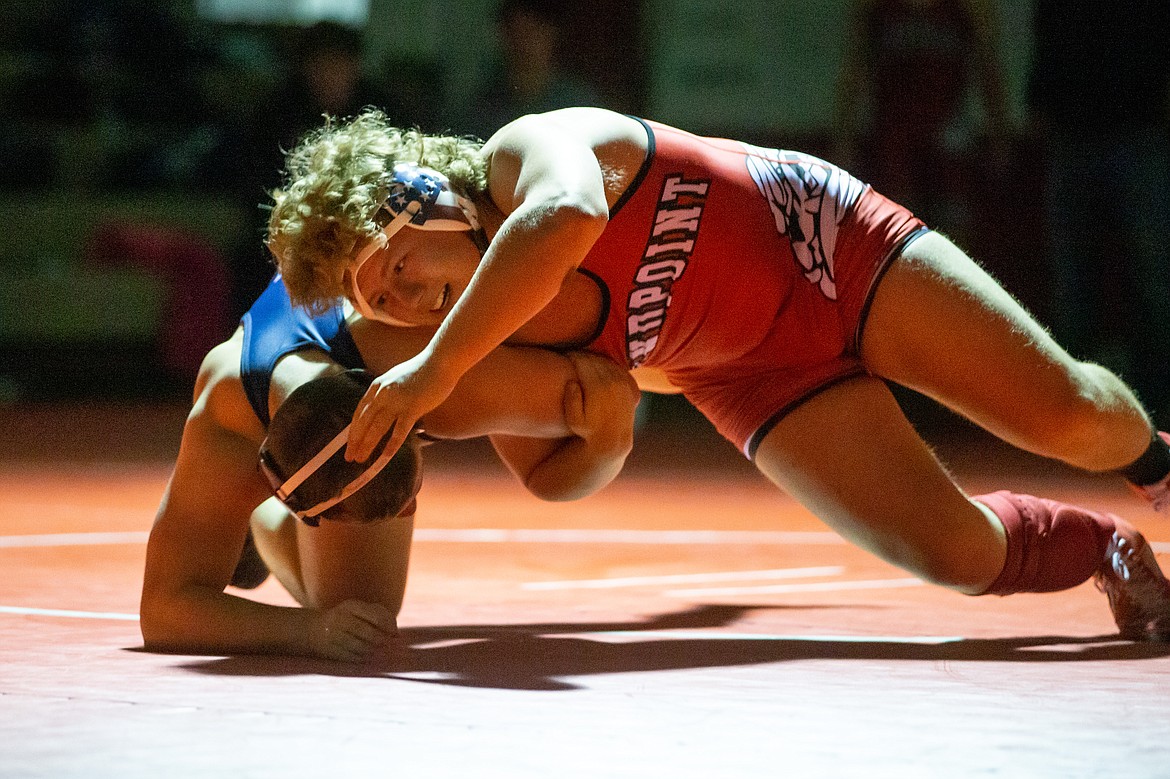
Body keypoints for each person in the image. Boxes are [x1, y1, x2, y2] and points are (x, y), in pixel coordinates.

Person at [266, 106, 1170, 641]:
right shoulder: (485, 339)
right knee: (955, 554)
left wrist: (427, 374)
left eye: (396, 269)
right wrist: (608, 435)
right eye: (381, 304)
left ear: (415, 194)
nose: (408, 303)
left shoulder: (525, 148)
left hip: (824, 249)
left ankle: (1156, 465)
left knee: (1072, 418)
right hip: (747, 374)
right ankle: (1106, 547)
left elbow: (572, 210)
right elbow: (553, 476)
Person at [139, 273, 641, 662]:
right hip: (288, 414)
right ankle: (260, 518)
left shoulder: (432, 360)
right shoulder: (226, 413)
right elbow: (163, 612)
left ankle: (263, 524)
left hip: (407, 358)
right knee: (364, 613)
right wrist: (307, 632)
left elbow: (555, 466)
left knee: (602, 374)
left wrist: (609, 444)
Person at [1027, 0, 1170, 420]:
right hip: (1071, 135)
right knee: (1073, 284)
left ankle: (1158, 408)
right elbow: (1047, 42)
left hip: (1138, 131)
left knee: (1155, 280)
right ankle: (1077, 410)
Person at [833, 0, 1012, 245]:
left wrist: (999, 136)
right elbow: (855, 69)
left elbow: (988, 68)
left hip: (949, 136)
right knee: (896, 234)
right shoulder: (877, 8)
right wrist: (844, 139)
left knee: (956, 233)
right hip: (895, 140)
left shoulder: (969, 8)